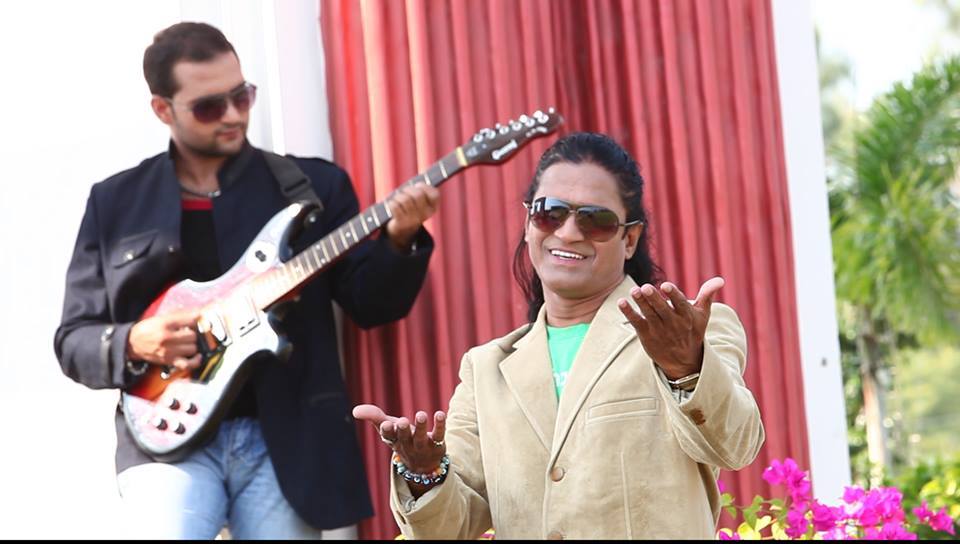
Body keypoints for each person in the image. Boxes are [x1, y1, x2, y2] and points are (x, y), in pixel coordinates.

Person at [53, 22, 440, 539]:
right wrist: (133, 340)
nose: (234, 115)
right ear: (163, 110)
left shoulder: (312, 187)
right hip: (166, 438)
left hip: (287, 443)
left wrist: (399, 239)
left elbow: (372, 305)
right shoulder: (117, 203)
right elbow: (73, 339)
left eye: (242, 96)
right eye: (209, 107)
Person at [353, 132, 765, 539]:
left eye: (596, 220)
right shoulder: (487, 370)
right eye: (550, 213)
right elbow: (452, 527)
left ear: (629, 239)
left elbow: (736, 446)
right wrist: (424, 474)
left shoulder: (688, 332)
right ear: (528, 224)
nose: (568, 233)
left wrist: (686, 368)